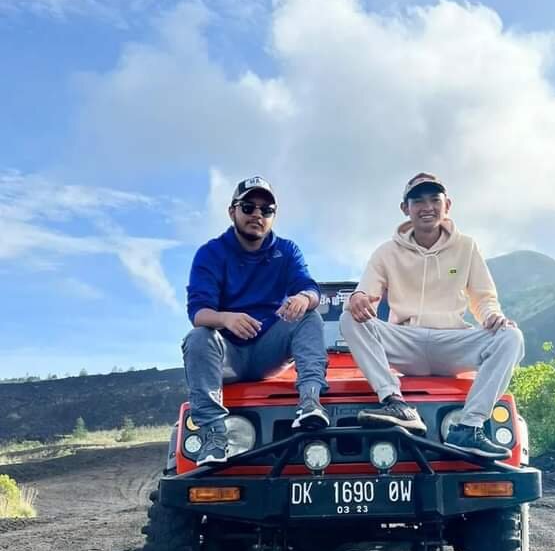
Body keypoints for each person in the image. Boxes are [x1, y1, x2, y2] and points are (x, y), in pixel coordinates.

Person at [340, 172, 524, 459]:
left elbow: (483, 298)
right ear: (405, 209)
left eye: (434, 199)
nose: (427, 207)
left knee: (511, 336)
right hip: (406, 343)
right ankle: (394, 402)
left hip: (452, 340)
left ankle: (468, 427)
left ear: (447, 204)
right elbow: (365, 293)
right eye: (418, 200)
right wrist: (359, 298)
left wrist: (492, 317)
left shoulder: (466, 247)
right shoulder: (386, 252)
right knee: (348, 317)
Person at [183, 175, 329, 465]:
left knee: (308, 316)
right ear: (232, 211)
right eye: (248, 207)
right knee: (198, 338)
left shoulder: (286, 251)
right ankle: (214, 436)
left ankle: (310, 403)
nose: (257, 215)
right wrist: (225, 318)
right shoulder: (211, 253)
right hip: (228, 355)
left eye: (266, 210)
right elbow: (198, 314)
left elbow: (310, 288)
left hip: (269, 352)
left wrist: (302, 298)